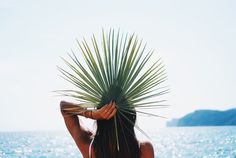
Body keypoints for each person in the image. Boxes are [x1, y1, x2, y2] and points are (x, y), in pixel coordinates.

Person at [60, 100, 154, 158]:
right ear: (130, 119)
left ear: (100, 120)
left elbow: (64, 108)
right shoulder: (145, 149)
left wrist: (92, 114)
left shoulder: (89, 148)